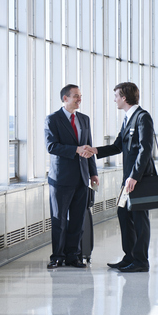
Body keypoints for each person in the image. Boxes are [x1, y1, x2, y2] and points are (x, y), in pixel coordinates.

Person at [87, 82, 156, 273]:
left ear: (124, 98)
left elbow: (145, 149)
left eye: (116, 95)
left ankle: (141, 261)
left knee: (140, 219)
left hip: (139, 179)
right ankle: (130, 256)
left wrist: (134, 176)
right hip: (129, 180)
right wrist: (95, 151)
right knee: (123, 214)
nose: (114, 99)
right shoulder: (128, 118)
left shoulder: (142, 118)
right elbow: (118, 146)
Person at [45, 84, 99, 269]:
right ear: (65, 98)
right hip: (61, 179)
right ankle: (57, 257)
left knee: (78, 219)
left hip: (82, 178)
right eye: (76, 96)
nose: (79, 99)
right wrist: (76, 150)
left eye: (80, 96)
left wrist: (93, 173)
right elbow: (52, 146)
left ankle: (73, 256)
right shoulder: (53, 119)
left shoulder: (84, 119)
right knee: (59, 219)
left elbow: (89, 146)